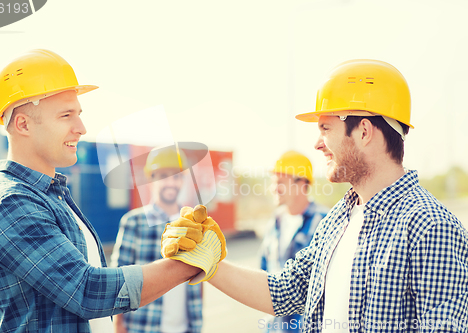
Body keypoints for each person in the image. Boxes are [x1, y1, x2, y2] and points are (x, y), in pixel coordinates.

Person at [163, 59, 468, 332]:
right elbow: (284, 292)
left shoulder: (432, 228)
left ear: (363, 132)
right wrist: (208, 262)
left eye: (325, 128)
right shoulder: (338, 220)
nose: (317, 144)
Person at [0, 49, 225, 333]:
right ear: (23, 124)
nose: (81, 128)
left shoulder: (51, 195)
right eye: (66, 115)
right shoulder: (9, 204)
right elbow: (87, 292)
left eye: (78, 114)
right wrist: (189, 263)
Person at [110, 146, 203, 333]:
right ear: (150, 179)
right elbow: (118, 279)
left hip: (185, 328)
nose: (171, 183)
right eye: (164, 176)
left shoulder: (193, 224)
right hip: (143, 327)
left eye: (176, 176)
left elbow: (200, 278)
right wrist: (118, 325)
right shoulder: (133, 222)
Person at [259, 150, 327, 332]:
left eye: (280, 183)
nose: (274, 188)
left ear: (301, 184)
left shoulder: (325, 222)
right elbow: (263, 270)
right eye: (274, 182)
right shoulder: (275, 221)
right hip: (274, 327)